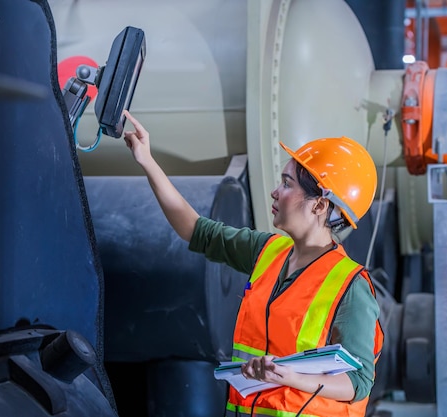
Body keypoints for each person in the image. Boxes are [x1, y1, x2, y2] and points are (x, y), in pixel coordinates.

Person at [122, 109, 384, 417]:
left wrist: (289, 377)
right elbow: (195, 230)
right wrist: (146, 160)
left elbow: (358, 382)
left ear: (320, 205)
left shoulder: (351, 287)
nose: (275, 192)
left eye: (287, 184)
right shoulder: (268, 251)